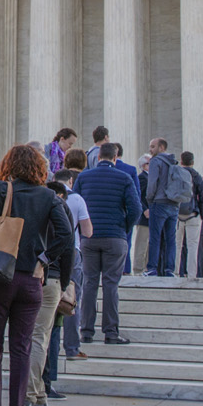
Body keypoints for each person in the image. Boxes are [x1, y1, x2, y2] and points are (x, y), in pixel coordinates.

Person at [0, 146, 74, 406]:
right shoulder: (49, 196)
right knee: (22, 345)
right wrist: (44, 259)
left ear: (9, 165)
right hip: (31, 278)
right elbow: (66, 234)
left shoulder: (4, 190)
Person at [73, 144, 140, 346]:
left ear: (98, 156)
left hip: (89, 238)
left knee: (90, 283)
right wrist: (124, 228)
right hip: (115, 236)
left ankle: (86, 331)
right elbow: (136, 208)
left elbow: (75, 204)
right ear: (115, 157)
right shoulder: (124, 177)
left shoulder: (84, 177)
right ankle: (111, 332)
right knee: (111, 284)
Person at [26, 179, 76, 406]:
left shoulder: (28, 202)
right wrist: (64, 280)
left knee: (32, 337)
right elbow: (68, 244)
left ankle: (31, 394)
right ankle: (38, 394)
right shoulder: (59, 205)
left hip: (32, 273)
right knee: (41, 338)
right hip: (52, 277)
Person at [58, 151, 90, 361]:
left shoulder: (46, 196)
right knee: (70, 299)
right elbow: (87, 231)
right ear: (71, 180)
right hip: (72, 252)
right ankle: (71, 347)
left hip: (47, 254)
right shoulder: (76, 199)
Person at [143, 138, 181, 277]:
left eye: (153, 146)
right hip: (174, 204)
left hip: (159, 203)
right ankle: (169, 269)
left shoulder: (155, 161)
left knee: (155, 237)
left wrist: (149, 200)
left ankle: (152, 268)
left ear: (162, 147)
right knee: (171, 239)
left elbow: (152, 184)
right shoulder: (174, 162)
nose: (150, 150)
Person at [175, 151, 203, 279]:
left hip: (177, 215)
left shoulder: (176, 174)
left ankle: (175, 272)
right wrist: (202, 214)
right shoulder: (197, 176)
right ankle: (192, 274)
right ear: (192, 162)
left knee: (176, 245)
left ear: (181, 161)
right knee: (193, 245)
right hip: (192, 214)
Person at [132, 154, 152, 275]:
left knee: (148, 245)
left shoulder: (151, 178)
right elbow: (137, 195)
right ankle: (138, 269)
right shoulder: (142, 178)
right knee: (142, 244)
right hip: (145, 216)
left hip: (151, 216)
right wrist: (144, 209)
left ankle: (146, 268)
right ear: (144, 165)